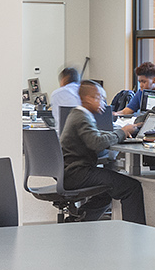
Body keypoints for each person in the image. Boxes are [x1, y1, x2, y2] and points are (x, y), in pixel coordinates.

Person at [60, 80, 145, 223]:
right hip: (77, 173)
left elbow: (96, 135)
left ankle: (79, 221)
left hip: (71, 172)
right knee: (131, 187)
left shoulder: (78, 114)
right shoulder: (81, 117)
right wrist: (122, 133)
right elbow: (97, 143)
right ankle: (136, 233)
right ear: (89, 98)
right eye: (100, 98)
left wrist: (122, 131)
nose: (104, 103)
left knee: (107, 191)